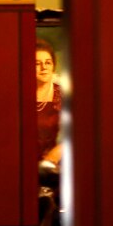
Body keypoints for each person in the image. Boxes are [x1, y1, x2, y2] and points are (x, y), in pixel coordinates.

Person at [36, 39, 63, 168]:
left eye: (48, 62)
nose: (44, 67)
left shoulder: (63, 94)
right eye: (37, 63)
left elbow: (80, 131)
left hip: (54, 162)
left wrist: (57, 153)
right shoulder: (18, 93)